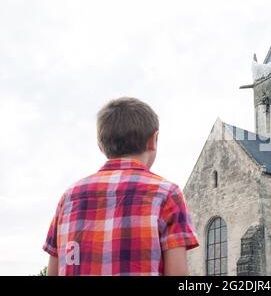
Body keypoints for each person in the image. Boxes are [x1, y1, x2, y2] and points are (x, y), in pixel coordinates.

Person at [43, 97, 199, 275]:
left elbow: (53, 270)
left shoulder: (69, 198)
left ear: (101, 146)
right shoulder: (167, 194)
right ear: (153, 140)